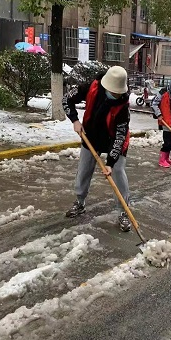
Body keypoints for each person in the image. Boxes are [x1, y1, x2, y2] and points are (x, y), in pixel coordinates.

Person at [62, 66, 132, 232]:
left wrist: (110, 163)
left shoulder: (123, 107)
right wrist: (75, 120)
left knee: (118, 171)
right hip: (91, 135)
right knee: (84, 169)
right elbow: (66, 99)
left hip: (114, 140)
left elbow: (119, 137)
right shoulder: (90, 87)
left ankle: (123, 211)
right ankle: (80, 202)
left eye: (118, 93)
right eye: (113, 92)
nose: (115, 95)